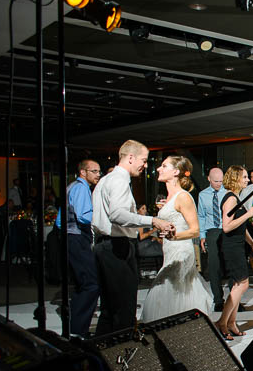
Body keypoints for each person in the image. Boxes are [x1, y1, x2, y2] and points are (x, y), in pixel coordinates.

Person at [91, 140, 175, 336]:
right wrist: (152, 220)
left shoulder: (105, 180)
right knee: (124, 310)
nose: (145, 166)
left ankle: (102, 358)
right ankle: (122, 358)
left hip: (104, 246)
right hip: (116, 247)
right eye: (143, 161)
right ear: (130, 158)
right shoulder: (119, 180)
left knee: (109, 310)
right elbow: (117, 215)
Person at [141, 156, 212, 322]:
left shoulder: (183, 197)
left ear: (176, 172)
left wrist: (175, 236)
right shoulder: (170, 198)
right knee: (172, 293)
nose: (159, 169)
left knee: (170, 291)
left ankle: (179, 329)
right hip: (169, 250)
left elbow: (195, 230)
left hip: (181, 251)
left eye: (164, 166)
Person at [55, 159, 101, 337]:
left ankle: (74, 328)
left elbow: (61, 219)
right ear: (83, 172)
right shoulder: (81, 188)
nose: (98, 174)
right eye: (94, 171)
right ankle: (79, 331)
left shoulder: (72, 186)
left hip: (68, 237)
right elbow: (83, 217)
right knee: (91, 284)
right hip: (76, 238)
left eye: (99, 171)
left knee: (82, 284)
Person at [218, 166, 253, 340]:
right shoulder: (230, 198)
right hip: (231, 246)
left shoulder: (236, 197)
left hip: (238, 245)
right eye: (244, 177)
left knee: (239, 285)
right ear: (235, 178)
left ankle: (231, 322)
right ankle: (222, 322)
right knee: (242, 284)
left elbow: (241, 228)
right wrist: (248, 214)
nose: (247, 180)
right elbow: (227, 226)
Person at [198, 167, 228, 311]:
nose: (218, 184)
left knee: (230, 265)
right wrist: (202, 236)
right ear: (209, 179)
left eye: (221, 181)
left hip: (227, 230)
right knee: (214, 266)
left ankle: (234, 300)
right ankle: (218, 300)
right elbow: (201, 216)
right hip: (212, 231)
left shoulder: (228, 193)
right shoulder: (202, 195)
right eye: (216, 181)